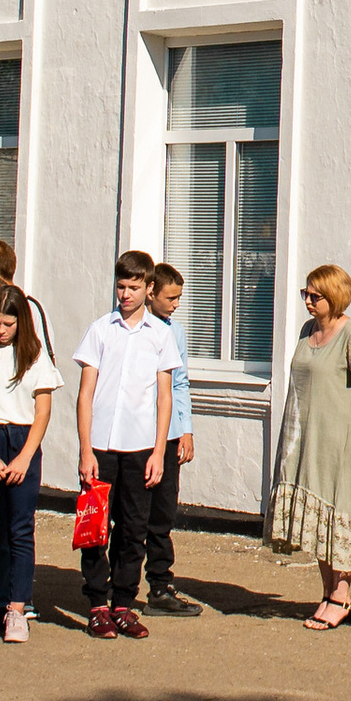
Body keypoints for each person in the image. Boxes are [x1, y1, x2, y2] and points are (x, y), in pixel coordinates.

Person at [264, 264, 351, 630]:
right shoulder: (307, 331)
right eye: (306, 294)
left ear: (335, 296)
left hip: (340, 441)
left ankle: (341, 596)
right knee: (319, 522)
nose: (308, 301)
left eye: (315, 295)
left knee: (340, 511)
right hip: (305, 437)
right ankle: (327, 592)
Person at [73, 251, 179, 638]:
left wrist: (157, 452)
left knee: (134, 528)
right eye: (121, 287)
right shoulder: (101, 329)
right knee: (95, 527)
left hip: (139, 448)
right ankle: (97, 603)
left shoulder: (160, 334)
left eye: (134, 288)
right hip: (101, 446)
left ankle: (123, 603)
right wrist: (86, 449)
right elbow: (85, 394)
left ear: (149, 289)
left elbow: (164, 397)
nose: (126, 295)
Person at [0, 284, 60, 643]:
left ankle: (16, 608)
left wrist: (25, 456)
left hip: (22, 442)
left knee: (19, 531)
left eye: (8, 324)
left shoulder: (34, 356)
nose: (0, 330)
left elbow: (42, 410)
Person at [142, 261, 201, 614]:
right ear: (151, 293)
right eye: (171, 297)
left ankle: (160, 586)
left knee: (163, 514)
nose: (176, 304)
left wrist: (186, 429)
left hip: (169, 435)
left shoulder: (174, 331)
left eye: (179, 297)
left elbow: (181, 383)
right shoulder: (128, 328)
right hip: (137, 434)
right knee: (132, 514)